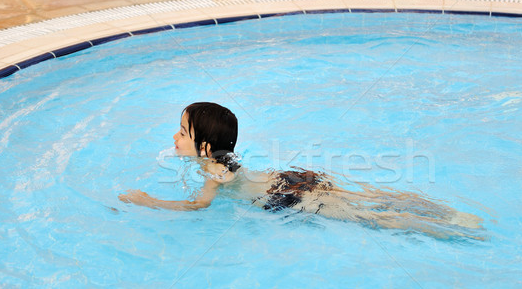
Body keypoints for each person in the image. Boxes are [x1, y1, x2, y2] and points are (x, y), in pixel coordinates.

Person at [119, 102, 484, 239]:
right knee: (368, 197)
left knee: (369, 218)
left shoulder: (214, 170)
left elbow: (198, 207)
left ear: (203, 147)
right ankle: (449, 213)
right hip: (292, 178)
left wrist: (149, 200)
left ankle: (450, 229)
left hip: (285, 194)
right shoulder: (226, 159)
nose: (174, 137)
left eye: (182, 132)